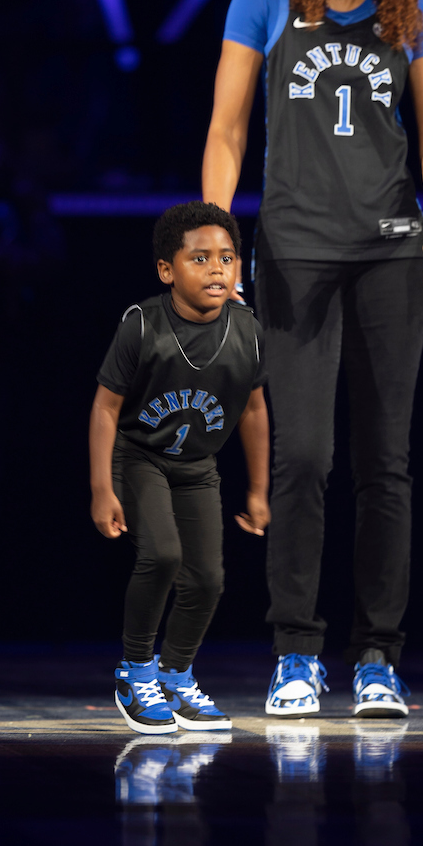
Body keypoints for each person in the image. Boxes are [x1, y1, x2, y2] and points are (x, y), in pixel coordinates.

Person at [202, 0, 423, 719]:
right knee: (305, 457)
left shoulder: (414, 13)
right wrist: (215, 239)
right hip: (294, 251)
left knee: (384, 463)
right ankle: (295, 652)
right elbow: (227, 129)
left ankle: (379, 659)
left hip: (393, 253)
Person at [90, 201, 270, 735]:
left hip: (197, 465)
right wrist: (102, 488)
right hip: (140, 456)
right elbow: (105, 408)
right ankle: (135, 670)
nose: (217, 269)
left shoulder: (247, 328)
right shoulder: (142, 324)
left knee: (209, 579)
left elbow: (254, 409)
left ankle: (175, 675)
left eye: (228, 258)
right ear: (168, 270)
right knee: (163, 555)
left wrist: (259, 488)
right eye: (200, 259)